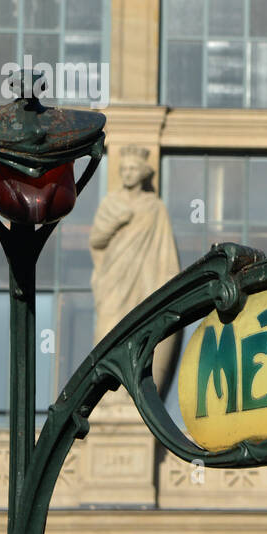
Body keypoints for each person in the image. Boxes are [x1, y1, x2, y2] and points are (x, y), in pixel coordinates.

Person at [89, 146, 181, 401]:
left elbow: (165, 253)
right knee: (108, 329)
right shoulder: (111, 204)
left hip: (144, 280)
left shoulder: (155, 208)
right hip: (114, 279)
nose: (128, 174)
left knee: (142, 332)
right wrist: (116, 222)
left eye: (133, 169)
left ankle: (136, 397)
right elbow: (96, 240)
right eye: (125, 169)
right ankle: (107, 396)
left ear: (142, 173)